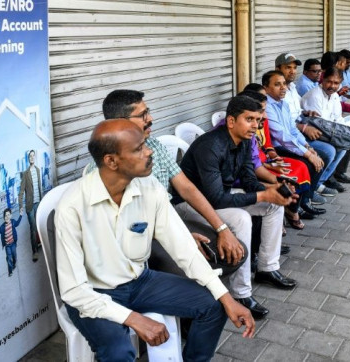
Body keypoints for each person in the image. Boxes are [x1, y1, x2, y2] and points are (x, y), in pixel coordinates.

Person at [55, 120, 254, 361]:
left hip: (140, 282)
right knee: (119, 352)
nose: (149, 152)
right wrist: (135, 319)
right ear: (111, 161)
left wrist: (226, 297)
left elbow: (184, 249)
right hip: (93, 294)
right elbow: (74, 290)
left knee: (214, 306)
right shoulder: (72, 206)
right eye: (139, 148)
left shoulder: (150, 188)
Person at [89, 90, 246, 267]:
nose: (150, 118)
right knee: (195, 264)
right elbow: (125, 226)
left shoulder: (154, 145)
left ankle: (221, 292)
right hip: (139, 238)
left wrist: (222, 228)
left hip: (167, 220)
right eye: (142, 115)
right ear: (121, 123)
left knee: (231, 252)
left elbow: (187, 188)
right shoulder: (107, 167)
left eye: (148, 111)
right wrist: (180, 237)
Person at [175, 95, 296, 320]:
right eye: (249, 119)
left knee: (272, 206)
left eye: (258, 120)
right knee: (241, 218)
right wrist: (261, 194)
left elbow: (249, 179)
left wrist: (274, 189)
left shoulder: (246, 141)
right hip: (188, 204)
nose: (255, 125)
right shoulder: (210, 146)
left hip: (217, 199)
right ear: (231, 121)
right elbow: (217, 198)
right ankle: (241, 293)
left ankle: (267, 268)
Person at [264, 70, 343, 204]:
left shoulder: (283, 104)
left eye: (284, 84)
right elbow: (281, 136)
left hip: (288, 144)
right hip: (276, 149)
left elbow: (292, 130)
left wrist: (307, 146)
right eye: (277, 84)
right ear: (266, 88)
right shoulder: (267, 106)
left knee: (318, 155)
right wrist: (307, 154)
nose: (283, 87)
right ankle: (302, 202)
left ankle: (307, 197)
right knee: (310, 162)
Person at [242, 84, 312, 229]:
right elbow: (249, 168)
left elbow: (261, 150)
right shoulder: (241, 133)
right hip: (242, 181)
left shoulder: (255, 125)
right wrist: (274, 181)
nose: (265, 115)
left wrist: (278, 178)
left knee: (298, 170)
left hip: (259, 166)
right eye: (262, 110)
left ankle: (292, 209)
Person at [300, 67, 350, 184]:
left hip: (327, 129)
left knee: (347, 139)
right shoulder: (315, 96)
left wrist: (348, 131)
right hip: (312, 133)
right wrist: (341, 136)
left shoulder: (334, 95)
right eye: (329, 82)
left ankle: (326, 178)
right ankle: (321, 182)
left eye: (336, 83)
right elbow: (319, 125)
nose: (332, 86)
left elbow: (338, 118)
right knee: (339, 145)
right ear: (323, 80)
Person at [18, 150, 43, 262]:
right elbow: (21, 191)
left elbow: (40, 187)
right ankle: (34, 252)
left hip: (39, 203)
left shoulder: (38, 170)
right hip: (30, 205)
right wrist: (20, 205)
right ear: (28, 159)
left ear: (35, 158)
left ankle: (40, 243)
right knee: (33, 228)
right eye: (30, 156)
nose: (32, 158)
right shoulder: (25, 174)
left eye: (33, 156)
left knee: (39, 225)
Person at [0, 208, 23, 277]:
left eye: (8, 215)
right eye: (5, 216)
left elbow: (17, 223)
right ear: (3, 218)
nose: (7, 217)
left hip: (13, 243)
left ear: (11, 216)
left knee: (14, 255)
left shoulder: (13, 222)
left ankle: (14, 263)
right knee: (9, 258)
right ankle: (10, 271)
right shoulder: (2, 227)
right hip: (7, 245)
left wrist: (20, 215)